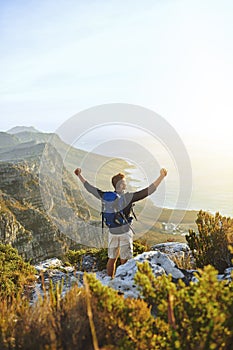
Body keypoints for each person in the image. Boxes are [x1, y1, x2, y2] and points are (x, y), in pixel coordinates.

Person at [74, 167, 167, 277]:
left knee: (112, 259)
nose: (126, 184)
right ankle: (122, 282)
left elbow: (90, 188)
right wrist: (161, 177)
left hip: (112, 233)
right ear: (121, 185)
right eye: (124, 182)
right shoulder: (128, 197)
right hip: (124, 232)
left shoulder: (106, 196)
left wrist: (79, 175)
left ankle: (109, 280)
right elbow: (148, 191)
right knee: (124, 261)